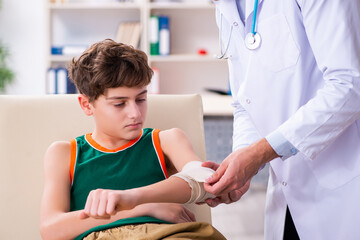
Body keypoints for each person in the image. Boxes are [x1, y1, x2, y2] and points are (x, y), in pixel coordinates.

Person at [203, 1, 360, 240]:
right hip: (286, 193)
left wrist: (258, 154)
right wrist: (244, 160)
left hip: (343, 190)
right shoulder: (225, 7)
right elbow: (246, 101)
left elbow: (349, 86)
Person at [39, 39, 226, 240]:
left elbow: (203, 180)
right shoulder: (65, 153)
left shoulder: (165, 140)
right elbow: (51, 230)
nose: (135, 113)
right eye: (119, 104)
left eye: (141, 99)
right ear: (86, 105)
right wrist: (142, 208)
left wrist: (131, 197)